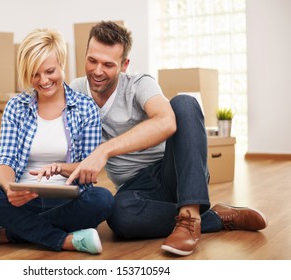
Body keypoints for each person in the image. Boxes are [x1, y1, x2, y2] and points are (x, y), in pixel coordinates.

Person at [68, 21, 268, 256]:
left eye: (108, 64)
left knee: (184, 103)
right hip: (135, 188)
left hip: (174, 171)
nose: (98, 71)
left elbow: (166, 121)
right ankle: (213, 218)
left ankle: (190, 214)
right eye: (92, 61)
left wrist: (104, 151)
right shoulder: (76, 90)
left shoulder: (140, 83)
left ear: (124, 65)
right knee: (119, 217)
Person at [0, 28, 114, 255]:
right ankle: (64, 240)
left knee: (103, 199)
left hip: (66, 202)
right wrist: (9, 188)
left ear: (62, 64)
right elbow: (6, 160)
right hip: (21, 200)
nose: (43, 81)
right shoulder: (16, 106)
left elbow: (87, 167)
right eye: (35, 74)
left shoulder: (85, 107)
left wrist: (60, 169)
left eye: (50, 71)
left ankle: (8, 232)